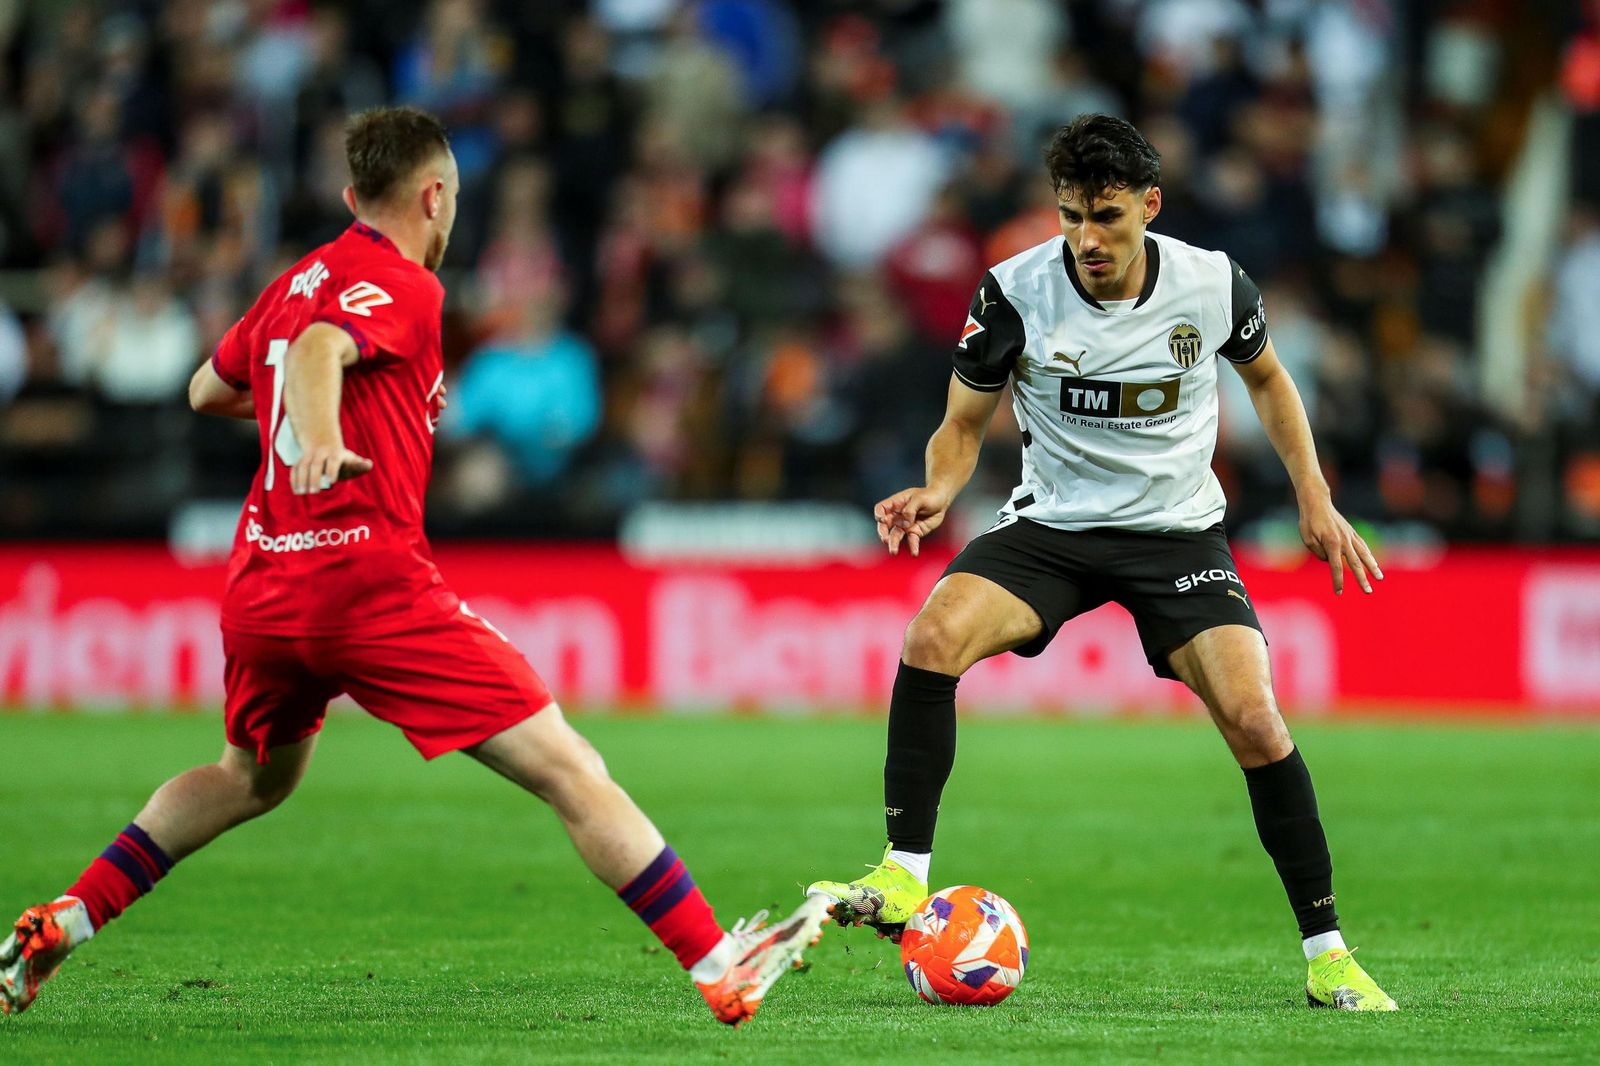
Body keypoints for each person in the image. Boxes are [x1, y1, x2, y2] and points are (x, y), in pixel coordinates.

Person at [2, 106, 827, 1026]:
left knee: (249, 778)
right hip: (368, 584)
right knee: (569, 765)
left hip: (263, 586)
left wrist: (301, 411)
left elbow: (208, 387)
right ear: (434, 196)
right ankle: (720, 962)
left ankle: (70, 915)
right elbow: (322, 351)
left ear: (354, 195)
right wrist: (317, 436)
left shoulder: (292, 281)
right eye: (456, 201)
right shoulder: (404, 286)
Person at [806, 114, 1396, 1012]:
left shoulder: (1212, 284)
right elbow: (961, 426)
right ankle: (902, 873)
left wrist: (1314, 498)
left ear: (1148, 207)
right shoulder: (1013, 293)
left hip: (1177, 535)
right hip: (1055, 530)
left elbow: (1270, 381)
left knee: (1255, 719)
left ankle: (1328, 956)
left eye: (1107, 217)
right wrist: (937, 488)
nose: (1087, 239)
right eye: (1071, 217)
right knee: (933, 636)